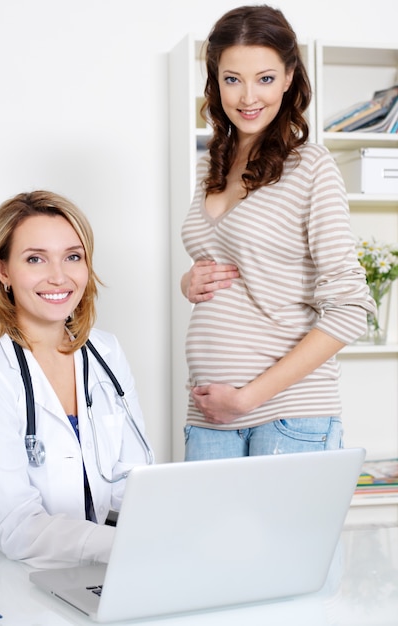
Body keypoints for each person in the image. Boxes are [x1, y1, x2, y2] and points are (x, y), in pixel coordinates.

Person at [180, 5, 375, 461]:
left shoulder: (311, 167)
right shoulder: (211, 162)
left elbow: (350, 309)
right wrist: (189, 281)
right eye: (233, 79)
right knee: (203, 537)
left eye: (265, 78)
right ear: (214, 81)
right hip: (210, 418)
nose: (248, 96)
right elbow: (239, 263)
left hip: (288, 417)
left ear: (289, 77)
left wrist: (247, 398)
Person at [0, 190, 153, 568]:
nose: (59, 276)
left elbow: (134, 481)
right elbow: (16, 525)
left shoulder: (106, 354)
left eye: (73, 257)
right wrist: (121, 546)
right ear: (2, 270)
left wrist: (181, 522)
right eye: (35, 259)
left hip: (83, 567)